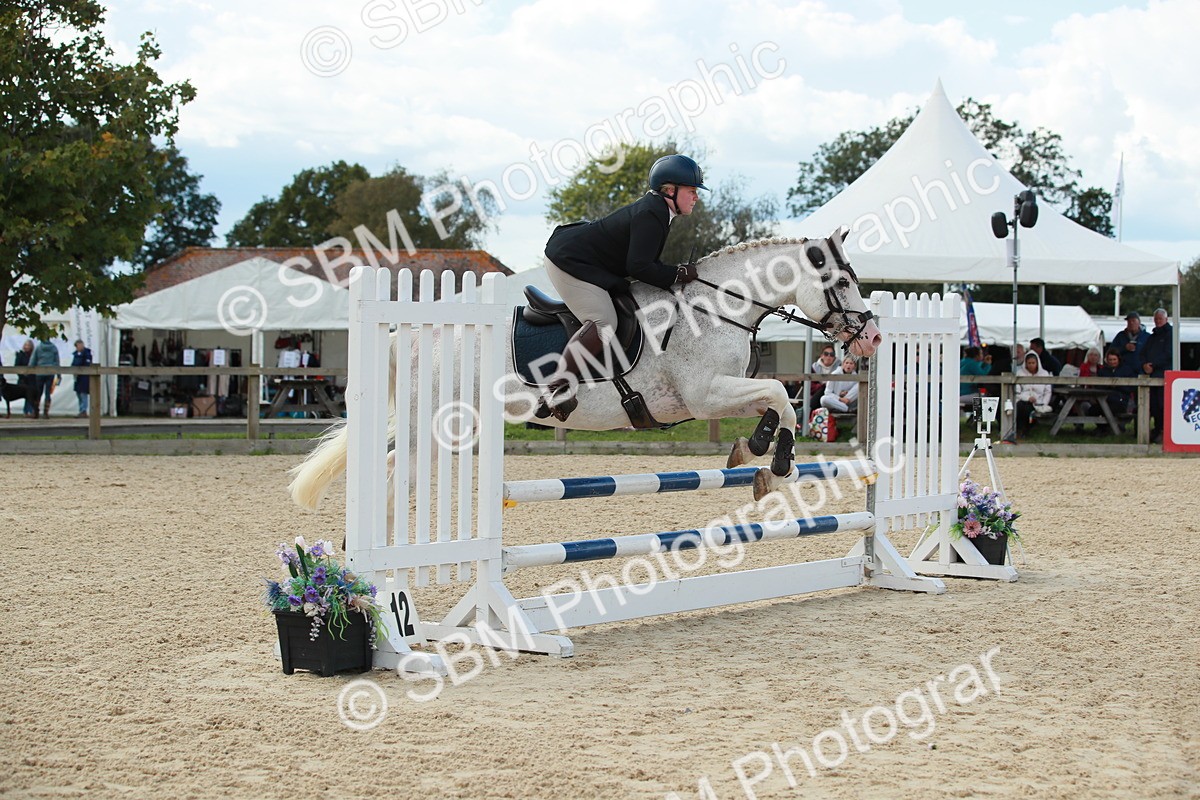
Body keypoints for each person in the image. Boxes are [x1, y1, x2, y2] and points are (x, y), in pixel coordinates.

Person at [537, 154, 707, 420]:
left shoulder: (659, 211)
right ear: (670, 190)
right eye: (692, 190)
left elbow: (641, 264)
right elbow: (639, 267)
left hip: (588, 259)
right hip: (568, 260)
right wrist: (677, 273)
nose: (696, 197)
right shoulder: (653, 213)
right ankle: (556, 387)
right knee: (603, 323)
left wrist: (675, 273)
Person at [1142, 308, 1174, 444]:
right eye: (1156, 319)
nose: (1158, 321)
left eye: (1160, 319)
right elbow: (1142, 353)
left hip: (1164, 377)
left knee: (1163, 405)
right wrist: (1144, 365)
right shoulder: (1152, 337)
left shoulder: (1171, 334)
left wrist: (1153, 365)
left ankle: (1164, 432)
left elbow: (1169, 354)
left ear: (1166, 319)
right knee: (1153, 405)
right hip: (1152, 377)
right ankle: (1157, 430)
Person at [1006, 352, 1052, 441]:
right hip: (1023, 400)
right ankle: (1020, 430)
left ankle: (1025, 431)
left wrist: (1043, 403)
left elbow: (1048, 391)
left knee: (1027, 409)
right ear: (1026, 363)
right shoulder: (1020, 373)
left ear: (1037, 363)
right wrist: (1027, 398)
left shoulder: (1045, 374)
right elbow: (1017, 391)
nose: (1031, 365)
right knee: (1021, 407)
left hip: (1039, 402)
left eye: (1033, 363)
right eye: (1029, 363)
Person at [14, 339, 37, 418]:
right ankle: (26, 411)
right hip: (23, 378)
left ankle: (29, 411)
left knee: (30, 395)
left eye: (28, 345)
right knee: (25, 394)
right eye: (26, 345)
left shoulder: (33, 355)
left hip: (32, 378)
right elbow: (16, 366)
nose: (27, 347)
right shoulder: (20, 355)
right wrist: (21, 375)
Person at [71, 339, 93, 417]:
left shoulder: (87, 354)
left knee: (83, 394)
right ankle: (81, 410)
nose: (77, 347)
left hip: (84, 377)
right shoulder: (76, 354)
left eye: (78, 345)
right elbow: (73, 364)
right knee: (78, 393)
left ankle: (83, 410)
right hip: (78, 376)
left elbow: (87, 364)